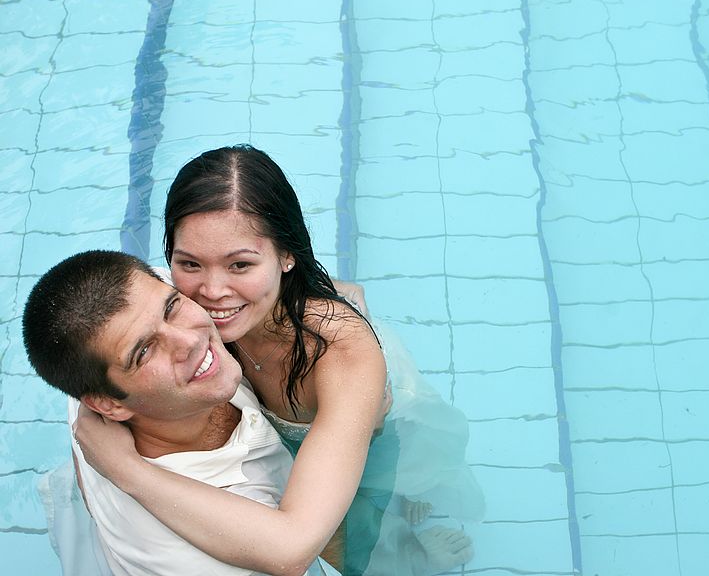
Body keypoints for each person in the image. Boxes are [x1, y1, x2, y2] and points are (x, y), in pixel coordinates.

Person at [75, 145, 484, 575]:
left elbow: (292, 549)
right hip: (315, 399)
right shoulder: (173, 311)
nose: (211, 292)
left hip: (375, 422)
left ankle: (415, 553)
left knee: (368, 512)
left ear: (287, 255)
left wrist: (124, 468)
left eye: (240, 265)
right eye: (190, 263)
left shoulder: (340, 358)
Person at [23, 250, 339, 576]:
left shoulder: (104, 349)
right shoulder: (197, 560)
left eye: (171, 308)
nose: (190, 339)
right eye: (144, 352)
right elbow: (291, 550)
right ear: (108, 405)